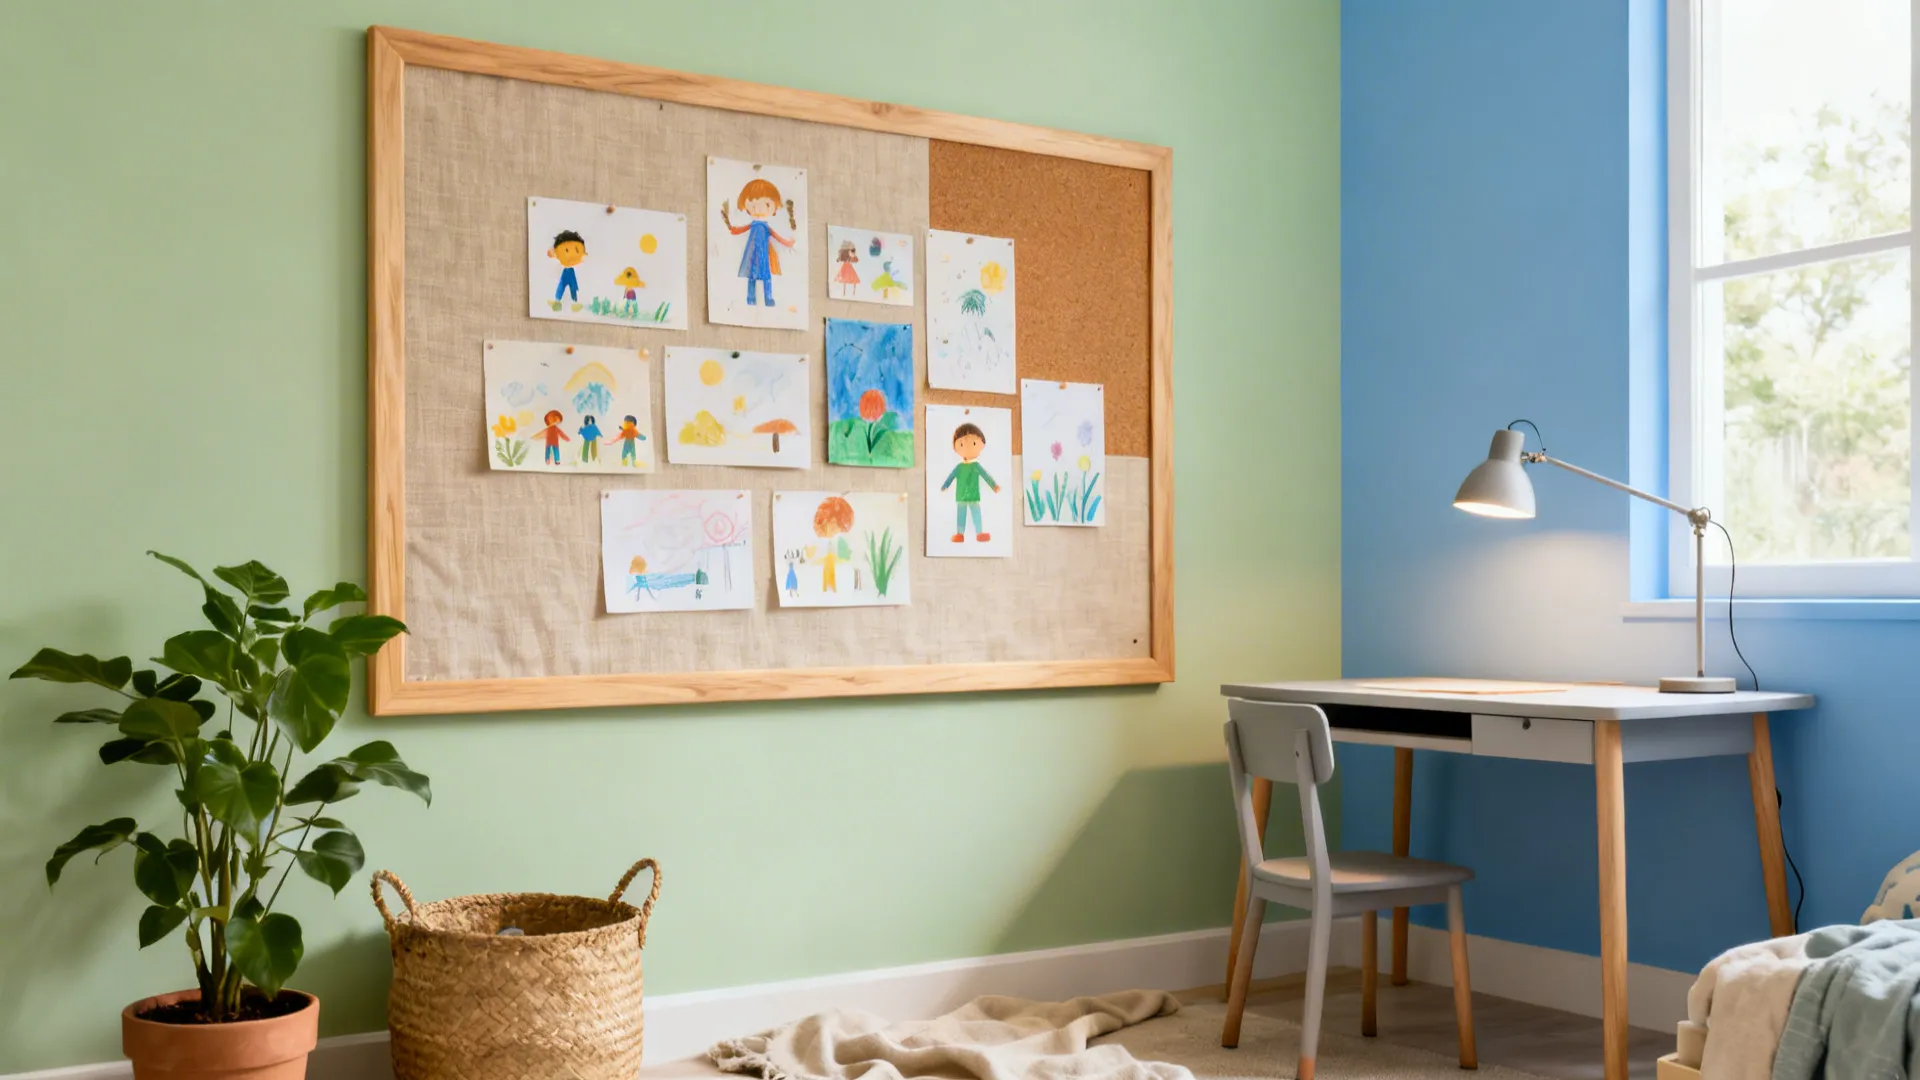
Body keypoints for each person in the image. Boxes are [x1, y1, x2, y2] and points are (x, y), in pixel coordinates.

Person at [720, 179, 795, 307]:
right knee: (752, 275)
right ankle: (751, 298)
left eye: (766, 205)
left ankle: (768, 297)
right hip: (752, 253)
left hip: (764, 254)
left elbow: (777, 236)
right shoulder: (754, 225)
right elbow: (741, 229)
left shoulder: (765, 227)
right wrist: (734, 230)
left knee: (766, 276)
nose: (759, 209)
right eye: (753, 206)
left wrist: (787, 243)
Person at [940, 422, 1000, 542]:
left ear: (982, 444)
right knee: (961, 514)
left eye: (973, 443)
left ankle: (979, 533)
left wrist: (994, 485)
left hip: (973, 494)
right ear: (956, 447)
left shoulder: (976, 466)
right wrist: (945, 485)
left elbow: (985, 475)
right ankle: (960, 534)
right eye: (962, 444)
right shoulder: (959, 467)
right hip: (961, 495)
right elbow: (951, 476)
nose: (968, 447)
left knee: (976, 513)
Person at [546, 230, 587, 308]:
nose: (571, 256)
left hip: (570, 272)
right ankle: (557, 300)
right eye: (566, 251)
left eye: (577, 250)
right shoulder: (559, 255)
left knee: (573, 288)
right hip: (566, 272)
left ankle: (574, 301)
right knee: (561, 287)